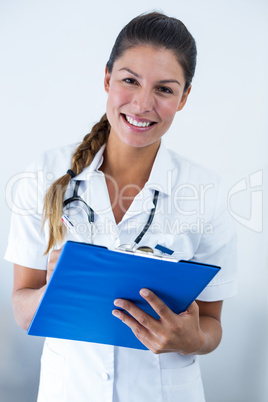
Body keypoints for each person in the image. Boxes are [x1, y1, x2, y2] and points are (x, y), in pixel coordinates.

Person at [5, 11, 237, 402]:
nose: (143, 103)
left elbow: (212, 326)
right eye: (130, 80)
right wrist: (55, 293)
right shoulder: (43, 175)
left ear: (184, 98)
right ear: (108, 78)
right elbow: (22, 310)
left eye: (164, 89)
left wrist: (191, 338)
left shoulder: (206, 192)